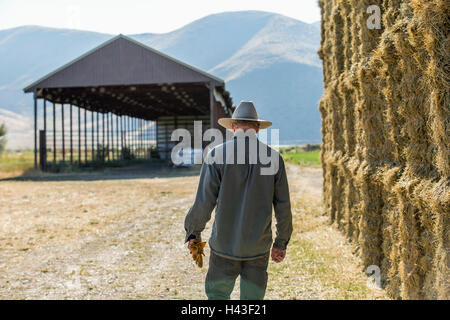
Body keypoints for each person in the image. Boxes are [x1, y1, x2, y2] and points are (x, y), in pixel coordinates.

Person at [184, 101, 293, 300]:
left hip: (224, 246)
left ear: (233, 127)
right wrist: (281, 242)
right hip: (258, 248)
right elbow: (283, 207)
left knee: (217, 297)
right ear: (257, 128)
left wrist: (193, 232)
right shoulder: (274, 159)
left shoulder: (216, 155)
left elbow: (204, 202)